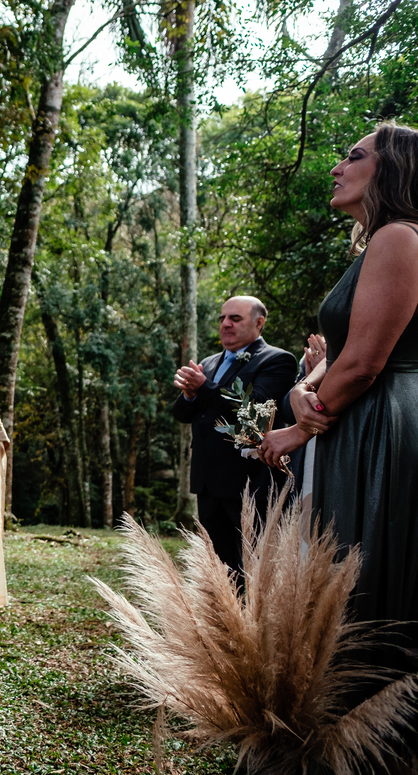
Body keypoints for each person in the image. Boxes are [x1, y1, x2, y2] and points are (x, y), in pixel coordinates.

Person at [260, 124, 418, 756]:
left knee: (370, 567)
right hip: (359, 413)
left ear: (392, 170)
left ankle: (371, 738)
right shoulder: (375, 245)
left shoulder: (400, 237)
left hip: (385, 420)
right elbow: (342, 356)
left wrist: (301, 426)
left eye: (354, 157)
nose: (336, 168)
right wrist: (305, 387)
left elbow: (367, 363)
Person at [171, 296, 295, 575]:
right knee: (219, 565)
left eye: (235, 318)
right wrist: (190, 395)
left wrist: (203, 388)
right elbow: (182, 414)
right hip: (208, 482)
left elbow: (254, 411)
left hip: (249, 482)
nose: (225, 324)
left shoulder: (277, 360)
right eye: (223, 318)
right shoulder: (209, 362)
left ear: (259, 323)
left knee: (254, 563)